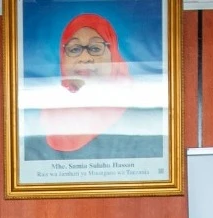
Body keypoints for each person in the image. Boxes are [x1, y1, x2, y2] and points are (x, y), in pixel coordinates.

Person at [22, 14, 164, 161]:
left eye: (95, 48)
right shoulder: (37, 115)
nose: (84, 58)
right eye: (75, 49)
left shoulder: (141, 111)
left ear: (113, 55)